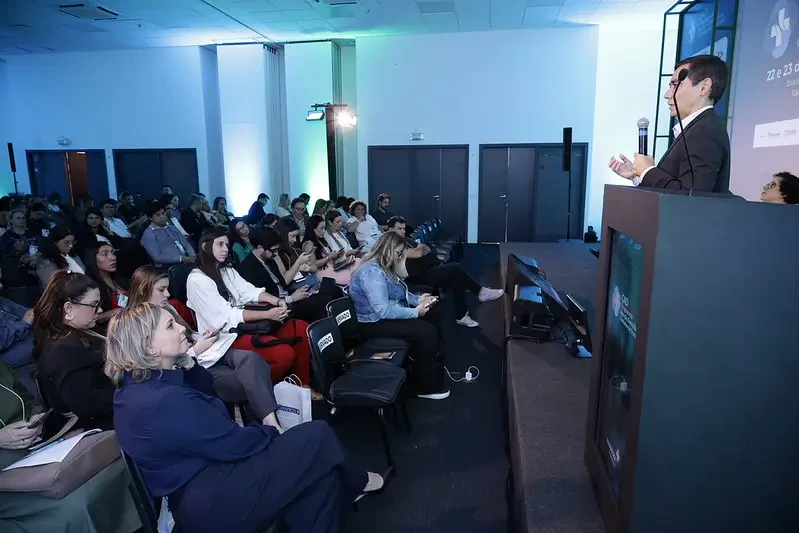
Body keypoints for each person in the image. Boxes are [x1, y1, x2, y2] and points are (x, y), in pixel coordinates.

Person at [107, 303, 382, 533]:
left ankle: (349, 478)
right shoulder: (164, 400)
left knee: (319, 479)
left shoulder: (137, 388)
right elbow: (233, 443)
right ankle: (357, 479)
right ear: (149, 348)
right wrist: (272, 433)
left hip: (203, 490)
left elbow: (206, 391)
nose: (182, 328)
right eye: (170, 326)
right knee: (317, 435)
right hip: (217, 500)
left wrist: (188, 362)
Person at [127, 272, 283, 427]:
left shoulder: (168, 307)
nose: (167, 294)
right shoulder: (138, 324)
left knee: (252, 360)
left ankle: (268, 423)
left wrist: (202, 337)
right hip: (189, 364)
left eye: (167, 289)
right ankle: (268, 424)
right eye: (161, 290)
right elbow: (165, 361)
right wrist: (195, 350)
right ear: (143, 290)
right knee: (250, 379)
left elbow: (186, 332)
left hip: (204, 352)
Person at [186, 229, 315, 389]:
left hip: (248, 328)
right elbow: (226, 317)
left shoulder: (226, 270)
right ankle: (266, 391)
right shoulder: (197, 280)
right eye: (220, 244)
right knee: (284, 354)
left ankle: (303, 385)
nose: (226, 249)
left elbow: (251, 292)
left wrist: (278, 301)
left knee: (301, 329)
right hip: (226, 337)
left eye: (227, 244)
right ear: (205, 246)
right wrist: (267, 313)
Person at [348, 232, 449, 400]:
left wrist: (419, 300)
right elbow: (383, 310)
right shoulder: (372, 272)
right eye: (399, 252)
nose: (401, 256)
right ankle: (426, 386)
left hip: (382, 317)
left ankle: (432, 364)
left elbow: (399, 294)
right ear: (388, 249)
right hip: (372, 323)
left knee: (432, 315)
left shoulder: (384, 267)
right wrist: (415, 312)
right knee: (425, 332)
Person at [610, 54, 730, 192]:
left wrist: (648, 171)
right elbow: (677, 190)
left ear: (704, 87)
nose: (667, 94)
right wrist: (637, 177)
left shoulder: (704, 132)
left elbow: (691, 196)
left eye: (675, 85)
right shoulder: (698, 128)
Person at [32, 271, 115, 430]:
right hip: (99, 427)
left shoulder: (76, 334)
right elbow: (87, 405)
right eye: (94, 305)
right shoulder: (63, 350)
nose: (99, 310)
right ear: (69, 308)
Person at [389, 216, 503, 327]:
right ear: (390, 229)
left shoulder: (406, 240)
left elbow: (425, 248)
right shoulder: (392, 245)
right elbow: (418, 252)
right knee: (456, 267)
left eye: (404, 229)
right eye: (399, 228)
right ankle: (480, 292)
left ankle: (461, 316)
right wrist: (418, 250)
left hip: (431, 267)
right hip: (421, 276)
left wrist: (418, 250)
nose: (403, 231)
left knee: (456, 279)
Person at [238, 228, 335, 322]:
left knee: (332, 290)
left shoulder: (268, 259)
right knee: (324, 301)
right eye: (273, 250)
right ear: (259, 248)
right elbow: (263, 299)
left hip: (288, 295)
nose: (276, 254)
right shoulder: (248, 269)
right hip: (280, 307)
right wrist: (291, 298)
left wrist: (295, 293)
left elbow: (281, 283)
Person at [303, 215, 360, 286]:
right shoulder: (309, 244)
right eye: (321, 228)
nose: (324, 231)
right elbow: (313, 265)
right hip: (323, 272)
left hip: (332, 266)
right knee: (351, 276)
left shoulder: (321, 240)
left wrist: (337, 256)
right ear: (313, 229)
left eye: (324, 228)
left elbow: (330, 258)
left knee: (358, 263)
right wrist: (328, 257)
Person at [83, 242, 128, 326]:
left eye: (113, 253)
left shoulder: (119, 279)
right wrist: (115, 312)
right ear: (93, 259)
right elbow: (90, 318)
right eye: (105, 254)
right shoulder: (89, 286)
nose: (113, 257)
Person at [141, 201, 197, 266]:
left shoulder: (172, 228)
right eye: (158, 215)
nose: (162, 217)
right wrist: (181, 259)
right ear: (150, 218)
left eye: (163, 213)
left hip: (186, 261)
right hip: (168, 267)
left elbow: (186, 244)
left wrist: (192, 255)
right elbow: (157, 257)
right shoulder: (148, 234)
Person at [273, 217, 317, 288]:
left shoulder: (295, 250)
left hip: (308, 281)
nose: (295, 240)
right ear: (283, 234)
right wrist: (298, 263)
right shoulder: (276, 254)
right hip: (295, 288)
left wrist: (309, 268)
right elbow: (285, 280)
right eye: (292, 236)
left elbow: (314, 267)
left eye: (296, 236)